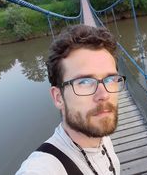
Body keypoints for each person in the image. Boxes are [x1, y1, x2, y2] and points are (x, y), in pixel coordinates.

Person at [16, 24, 125, 175]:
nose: (104, 95)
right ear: (58, 97)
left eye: (110, 79)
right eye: (84, 82)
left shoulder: (100, 133)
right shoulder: (43, 168)